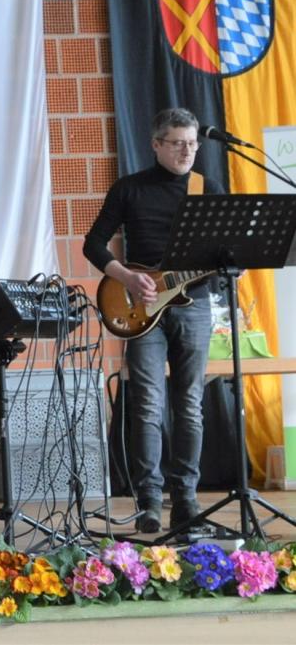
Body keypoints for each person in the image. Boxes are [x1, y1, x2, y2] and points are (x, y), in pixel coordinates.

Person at [84, 107, 223, 533]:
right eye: (178, 143)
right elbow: (93, 244)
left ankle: (186, 499)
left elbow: (223, 252)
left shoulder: (207, 187)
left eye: (194, 143)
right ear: (156, 144)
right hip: (140, 307)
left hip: (194, 304)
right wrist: (128, 276)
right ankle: (148, 501)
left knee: (190, 406)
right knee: (146, 403)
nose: (187, 151)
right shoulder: (130, 189)